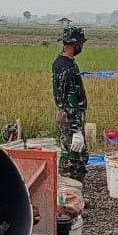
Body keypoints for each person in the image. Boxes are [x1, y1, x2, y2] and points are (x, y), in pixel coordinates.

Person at [52, 25, 89, 183]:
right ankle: (67, 199)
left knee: (79, 159)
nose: (82, 47)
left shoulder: (61, 62)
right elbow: (69, 101)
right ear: (75, 45)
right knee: (70, 161)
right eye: (81, 44)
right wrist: (76, 131)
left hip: (70, 118)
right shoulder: (67, 69)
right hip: (70, 119)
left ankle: (77, 196)